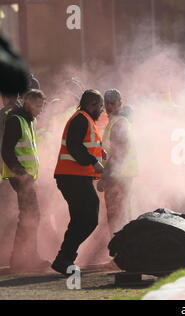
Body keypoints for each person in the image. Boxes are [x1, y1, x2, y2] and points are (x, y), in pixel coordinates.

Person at [52, 89, 105, 275]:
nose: (102, 110)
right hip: (73, 176)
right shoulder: (82, 118)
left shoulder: (84, 118)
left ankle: (63, 259)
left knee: (80, 219)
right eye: (100, 106)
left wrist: (100, 154)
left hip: (74, 177)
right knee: (89, 218)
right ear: (92, 104)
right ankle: (64, 258)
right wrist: (93, 161)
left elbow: (84, 144)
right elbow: (75, 146)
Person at [1, 89, 49, 272]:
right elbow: (6, 151)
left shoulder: (28, 120)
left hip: (25, 177)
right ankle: (25, 259)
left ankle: (22, 259)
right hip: (21, 177)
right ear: (28, 103)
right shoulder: (16, 120)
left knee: (29, 217)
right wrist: (21, 173)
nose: (40, 110)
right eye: (38, 106)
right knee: (31, 216)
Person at [97, 89, 138, 236]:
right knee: (121, 215)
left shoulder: (119, 123)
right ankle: (123, 253)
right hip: (121, 176)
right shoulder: (118, 122)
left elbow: (119, 154)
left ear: (120, 103)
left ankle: (119, 254)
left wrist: (105, 177)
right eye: (107, 102)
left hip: (118, 176)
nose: (109, 106)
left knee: (116, 217)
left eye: (113, 103)